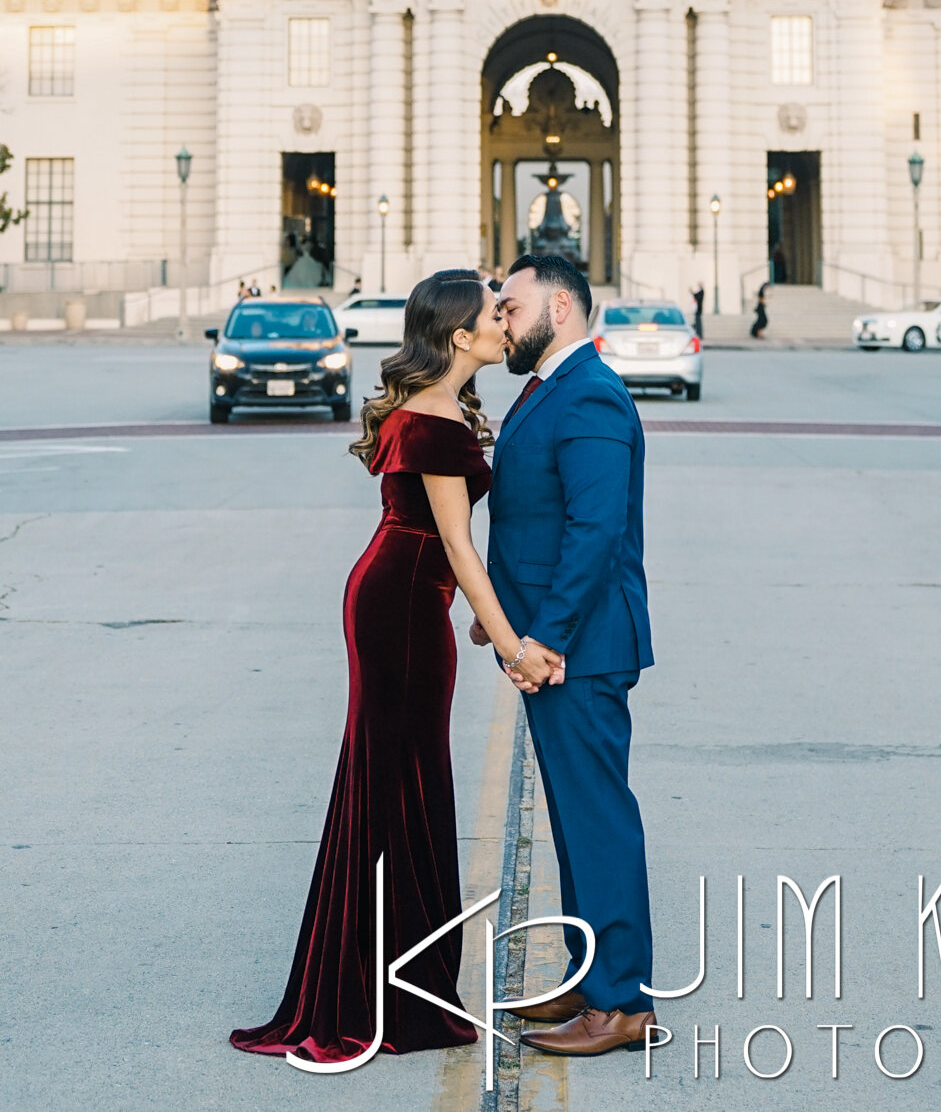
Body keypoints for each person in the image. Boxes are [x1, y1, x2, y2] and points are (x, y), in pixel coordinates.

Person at [232, 270, 546, 1063]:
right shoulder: (434, 422)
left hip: (401, 594)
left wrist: (478, 615)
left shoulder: (437, 412)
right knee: (395, 784)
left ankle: (388, 984)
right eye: (490, 316)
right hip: (401, 604)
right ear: (458, 337)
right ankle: (375, 996)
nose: (504, 324)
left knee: (400, 781)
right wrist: (509, 642)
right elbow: (455, 547)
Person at [481, 252, 655, 1058]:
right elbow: (533, 519)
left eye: (509, 306)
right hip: (553, 642)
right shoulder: (548, 388)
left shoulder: (589, 392)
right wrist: (503, 620)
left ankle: (622, 1004)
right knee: (575, 822)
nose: (499, 318)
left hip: (580, 650)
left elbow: (594, 531)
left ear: (559, 307)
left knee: (597, 822)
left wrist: (543, 637)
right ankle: (593, 982)